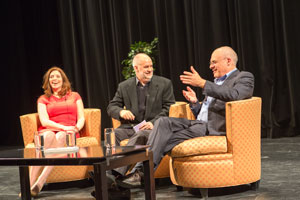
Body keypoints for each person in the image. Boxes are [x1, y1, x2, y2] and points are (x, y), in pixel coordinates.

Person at [118, 46, 255, 188]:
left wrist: (202, 83)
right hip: (198, 124)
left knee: (157, 138)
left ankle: (138, 174)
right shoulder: (216, 83)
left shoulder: (244, 77)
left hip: (211, 129)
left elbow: (236, 95)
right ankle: (118, 175)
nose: (210, 66)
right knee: (161, 123)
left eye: (214, 62)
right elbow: (209, 111)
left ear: (228, 61)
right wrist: (196, 104)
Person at [104, 53, 175, 188]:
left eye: (151, 66)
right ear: (136, 69)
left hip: (153, 129)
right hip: (132, 127)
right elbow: (111, 106)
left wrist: (153, 122)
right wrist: (121, 111)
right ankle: (114, 178)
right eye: (145, 67)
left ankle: (113, 174)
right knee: (114, 135)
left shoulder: (164, 83)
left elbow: (169, 108)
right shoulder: (124, 86)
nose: (149, 70)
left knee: (141, 134)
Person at [28, 66, 85, 197]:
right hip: (51, 129)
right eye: (51, 77)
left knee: (60, 137)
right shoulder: (43, 99)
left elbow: (81, 117)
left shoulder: (75, 96)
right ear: (48, 81)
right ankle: (29, 184)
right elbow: (44, 121)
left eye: (57, 76)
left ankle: (40, 182)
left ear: (63, 79)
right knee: (46, 137)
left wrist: (75, 128)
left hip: (69, 131)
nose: (54, 79)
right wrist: (63, 127)